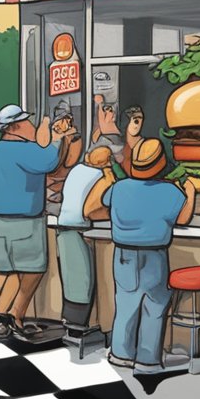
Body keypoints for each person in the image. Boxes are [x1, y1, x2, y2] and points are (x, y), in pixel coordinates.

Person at [88, 138, 196, 373]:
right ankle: (147, 360)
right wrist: (190, 191)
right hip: (155, 255)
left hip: (123, 255)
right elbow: (184, 217)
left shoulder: (120, 187)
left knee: (126, 303)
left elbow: (94, 208)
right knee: (155, 307)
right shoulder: (170, 191)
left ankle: (121, 354)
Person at [0, 104, 71, 341]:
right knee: (32, 270)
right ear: (16, 127)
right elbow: (49, 162)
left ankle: (7, 318)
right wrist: (56, 137)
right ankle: (11, 316)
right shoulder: (24, 150)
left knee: (9, 272)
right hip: (25, 221)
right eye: (28, 122)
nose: (32, 126)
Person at [56, 145, 112, 340]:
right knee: (82, 282)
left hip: (63, 226)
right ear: (106, 163)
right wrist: (109, 174)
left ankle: (73, 326)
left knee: (73, 280)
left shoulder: (77, 170)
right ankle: (77, 329)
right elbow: (92, 208)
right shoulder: (100, 177)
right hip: (78, 228)